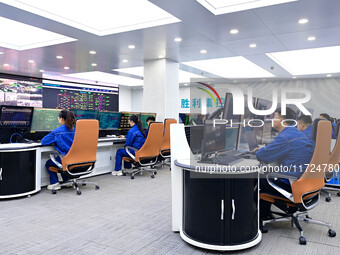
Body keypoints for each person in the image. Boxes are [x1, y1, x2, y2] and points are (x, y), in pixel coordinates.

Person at [254, 107, 314, 220]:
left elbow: (262, 156)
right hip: (305, 182)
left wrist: (261, 151)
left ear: (281, 119)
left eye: (274, 116)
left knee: (256, 179)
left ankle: (259, 219)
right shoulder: (295, 133)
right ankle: (265, 214)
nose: (272, 119)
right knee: (267, 173)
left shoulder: (285, 137)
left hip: (292, 183)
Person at [41, 110, 76, 190]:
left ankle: (55, 183)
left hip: (66, 160)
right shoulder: (75, 130)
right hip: (76, 159)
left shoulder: (57, 131)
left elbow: (43, 141)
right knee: (61, 160)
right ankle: (67, 181)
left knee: (50, 163)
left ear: (62, 119)